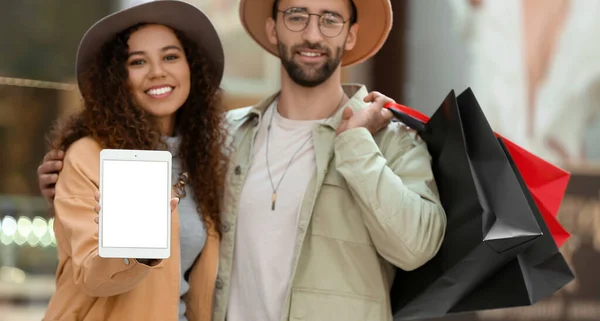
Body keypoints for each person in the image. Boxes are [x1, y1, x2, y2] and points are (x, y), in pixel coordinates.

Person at [38, 0, 447, 320]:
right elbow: (96, 255)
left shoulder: (388, 139)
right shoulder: (228, 136)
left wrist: (357, 144)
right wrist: (72, 186)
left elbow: (416, 248)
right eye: (297, 15)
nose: (312, 33)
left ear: (351, 34)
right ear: (273, 28)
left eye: (330, 19)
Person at [40, 1, 227, 320]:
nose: (158, 71)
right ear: (117, 78)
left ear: (190, 67)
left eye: (170, 56)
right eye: (138, 61)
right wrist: (137, 247)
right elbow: (92, 274)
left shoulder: (203, 161)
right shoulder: (88, 156)